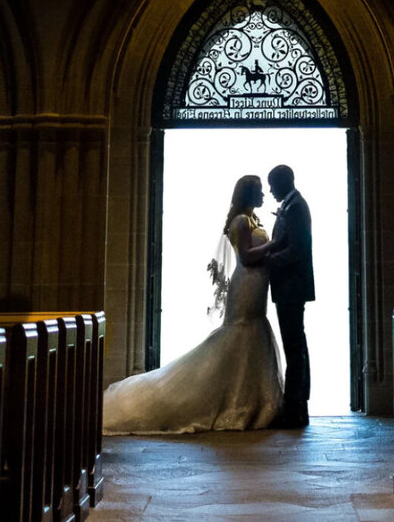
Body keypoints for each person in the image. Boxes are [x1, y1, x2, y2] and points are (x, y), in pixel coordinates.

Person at [102, 173, 283, 434]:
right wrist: (274, 245)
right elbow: (245, 256)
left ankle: (250, 401)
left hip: (258, 282)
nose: (263, 194)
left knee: (252, 333)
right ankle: (234, 403)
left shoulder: (254, 218)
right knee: (242, 331)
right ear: (248, 194)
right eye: (258, 190)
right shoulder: (241, 220)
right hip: (247, 282)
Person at [266, 163, 314, 428]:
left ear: (285, 181)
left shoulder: (296, 207)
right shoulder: (291, 204)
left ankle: (295, 407)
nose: (271, 190)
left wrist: (270, 261)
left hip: (292, 286)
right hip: (290, 286)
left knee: (294, 347)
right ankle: (298, 405)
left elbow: (298, 249)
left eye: (273, 184)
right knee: (297, 345)